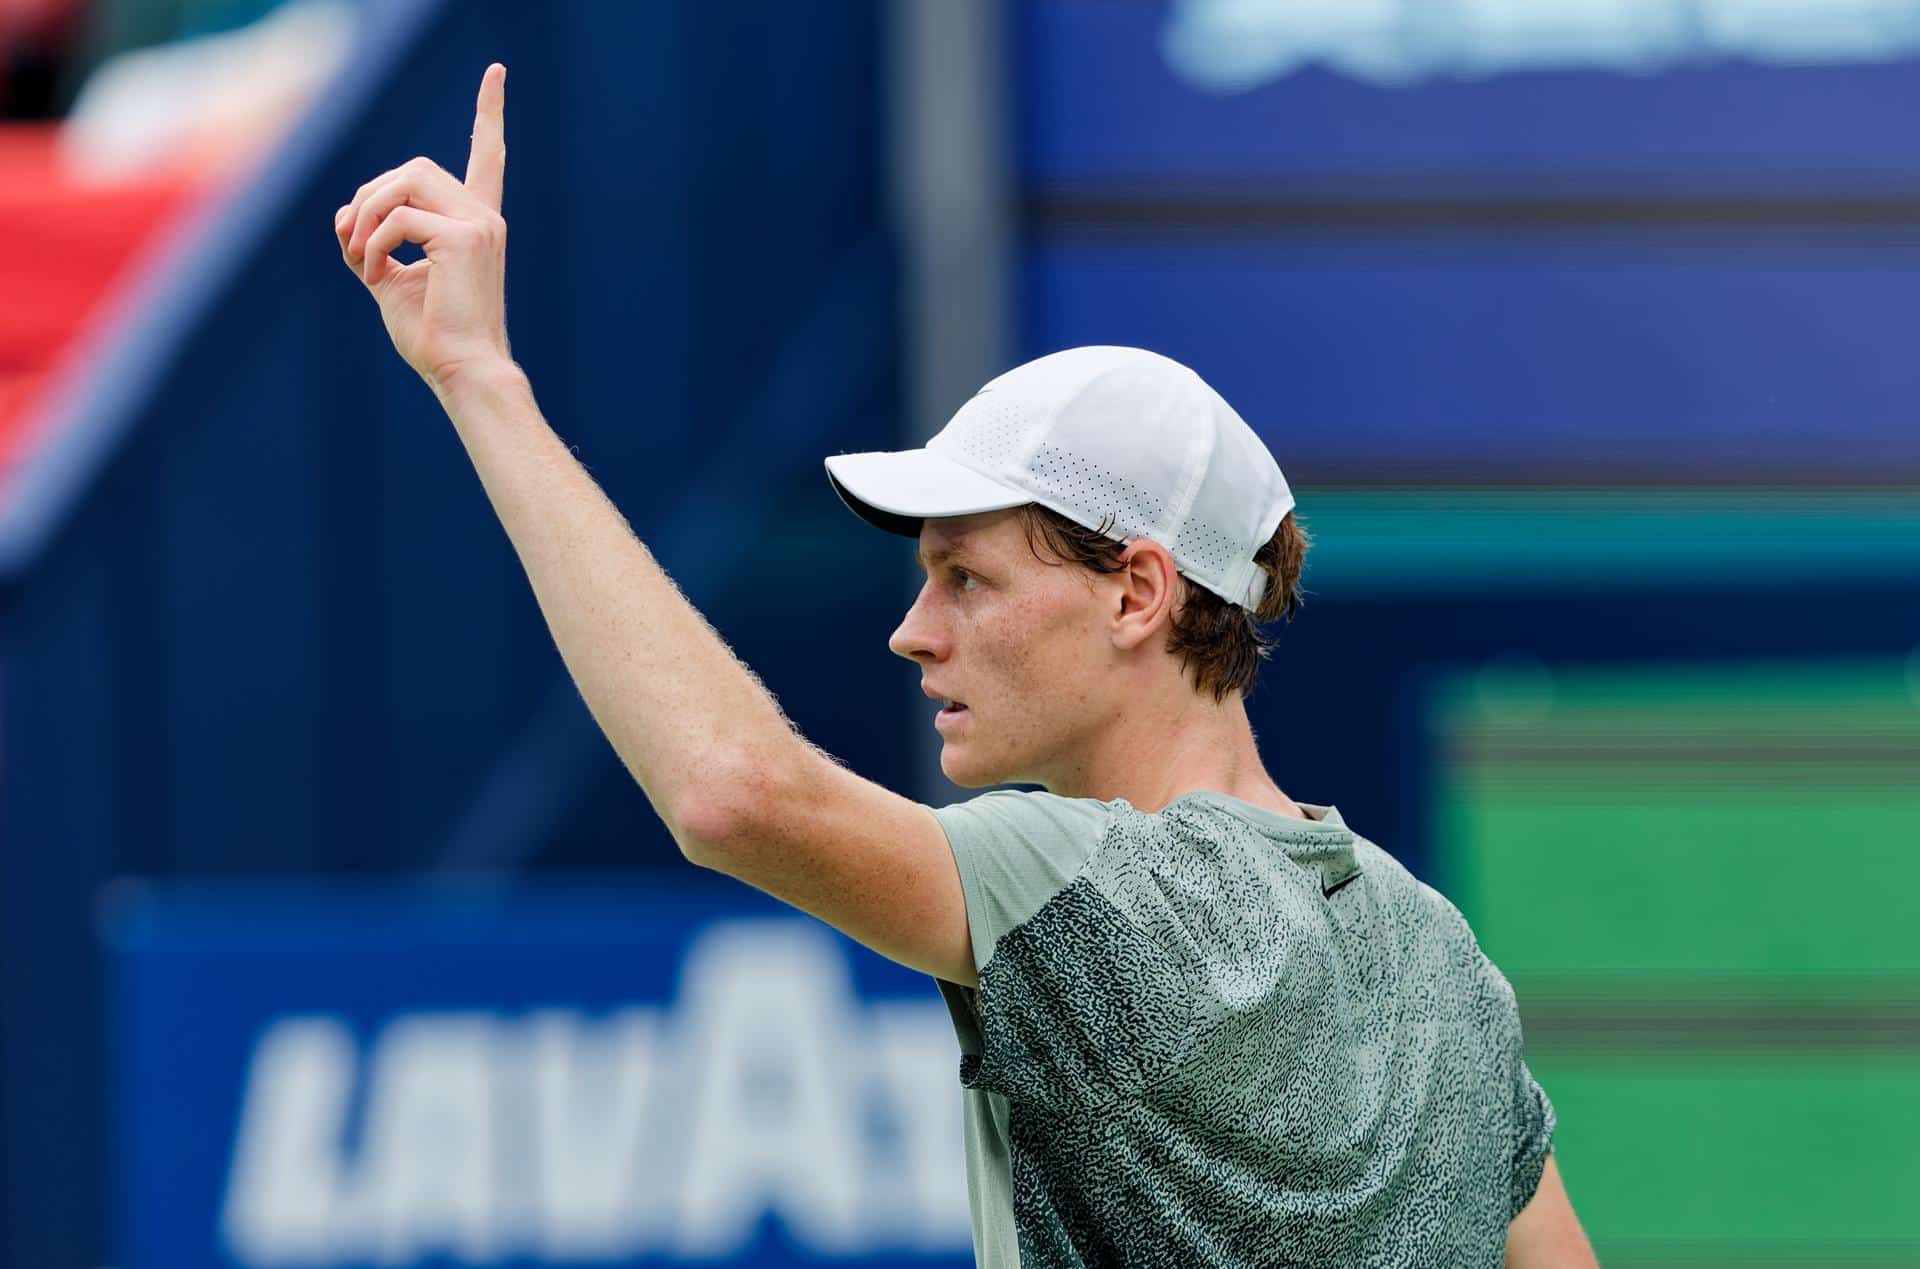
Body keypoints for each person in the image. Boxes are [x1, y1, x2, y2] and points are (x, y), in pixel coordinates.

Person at [335, 64, 1599, 1268]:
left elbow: (733, 789)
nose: (913, 627)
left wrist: (480, 379)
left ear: (1139, 594)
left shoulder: (1091, 892)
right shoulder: (1444, 961)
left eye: (970, 578)